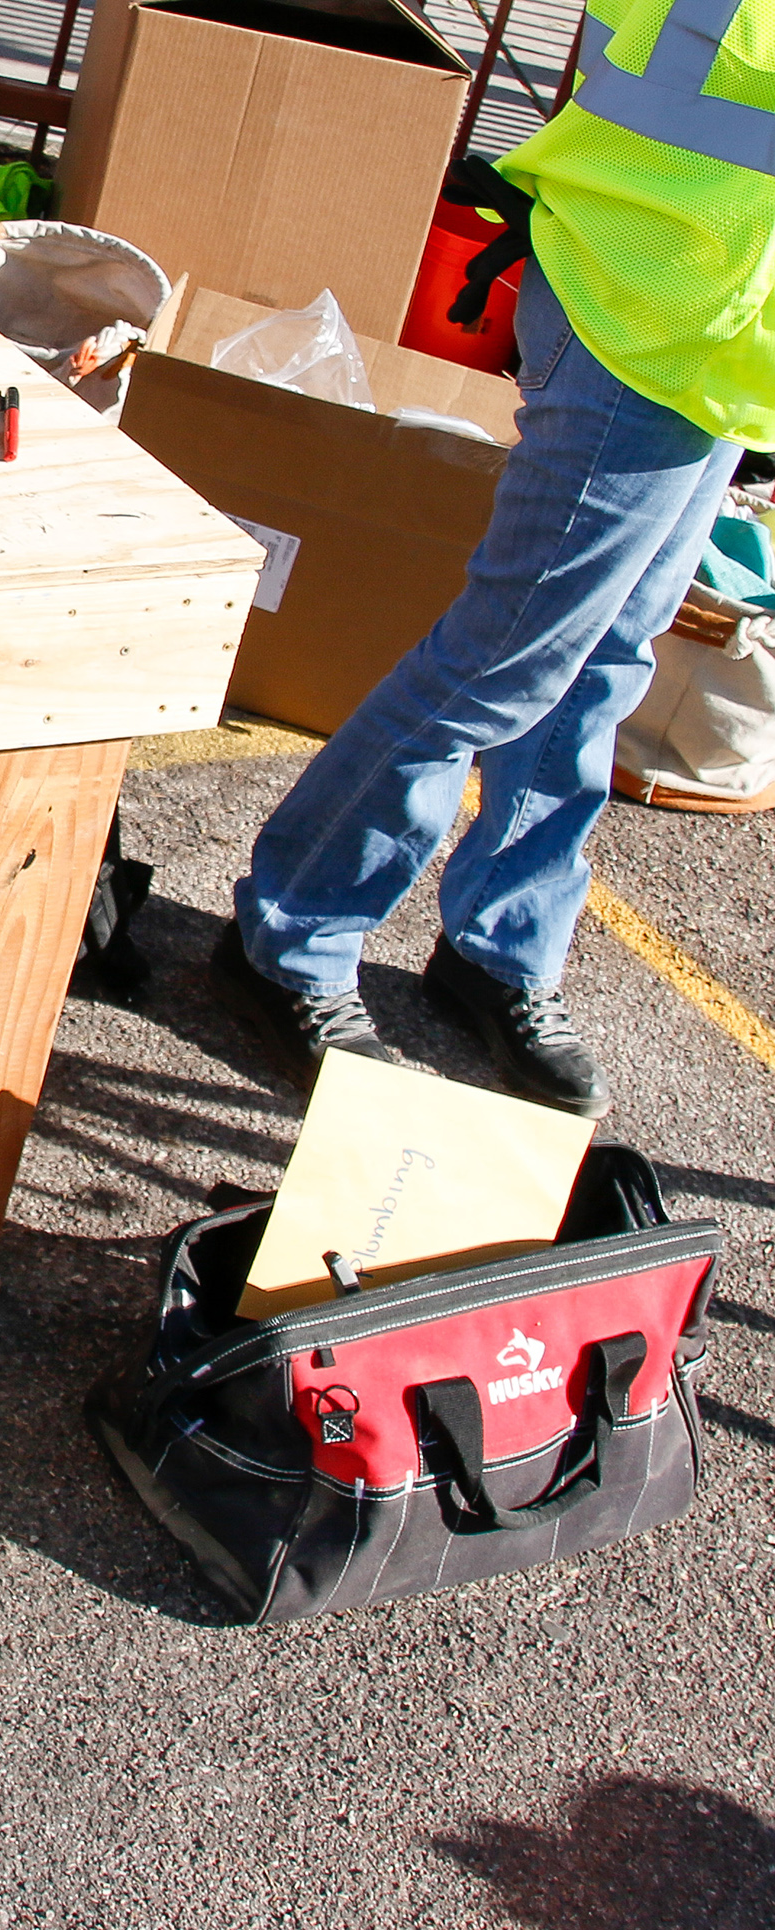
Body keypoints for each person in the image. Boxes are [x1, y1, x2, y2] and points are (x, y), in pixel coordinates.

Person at [212, 0, 772, 1118]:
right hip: (648, 310)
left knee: (606, 655)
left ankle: (500, 947)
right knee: (506, 663)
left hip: (709, 328)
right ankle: (292, 933)